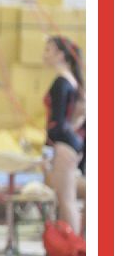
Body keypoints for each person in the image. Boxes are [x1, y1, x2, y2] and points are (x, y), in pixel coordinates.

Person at [42, 35, 85, 235]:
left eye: (48, 50)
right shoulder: (72, 81)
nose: (44, 54)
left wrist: (48, 146)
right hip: (70, 142)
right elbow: (73, 120)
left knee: (66, 199)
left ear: (61, 55)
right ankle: (73, 243)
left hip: (63, 144)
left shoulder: (61, 82)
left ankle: (74, 246)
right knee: (66, 198)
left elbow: (57, 124)